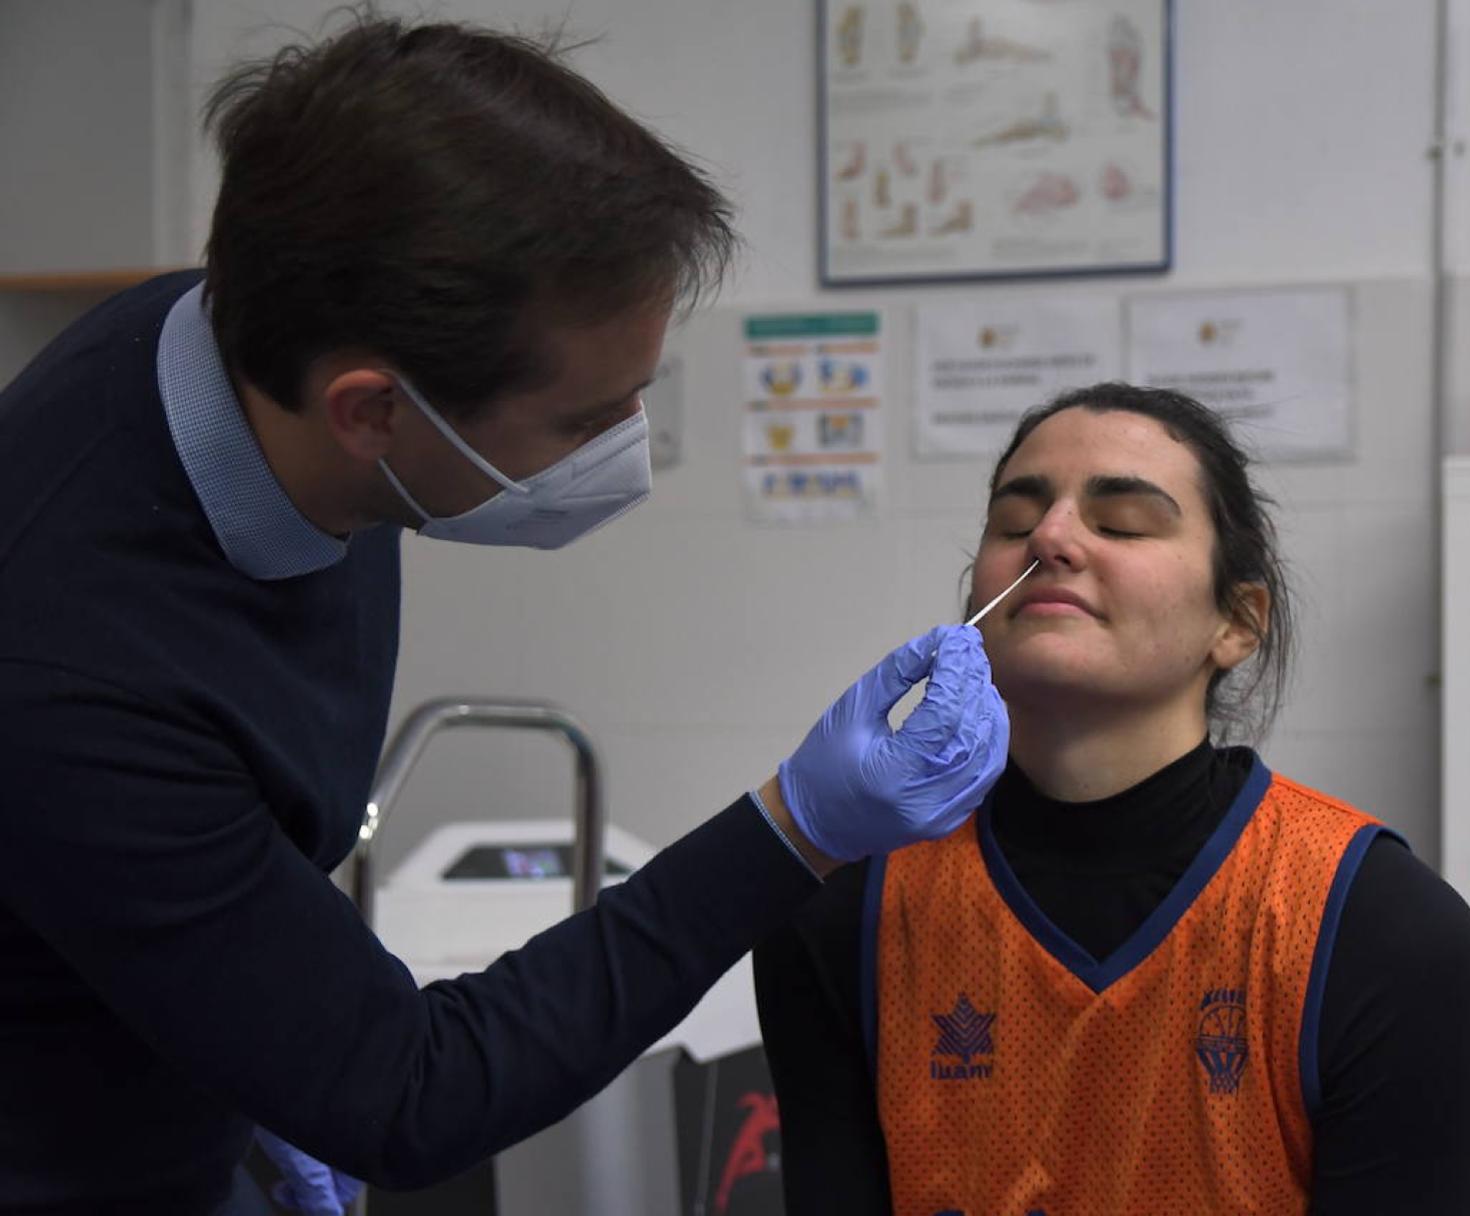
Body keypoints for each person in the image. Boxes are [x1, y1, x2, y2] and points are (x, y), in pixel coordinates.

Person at [0, 14, 1007, 1215]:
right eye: (585, 421)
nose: (626, 451)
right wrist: (791, 830)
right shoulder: (66, 666)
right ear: (370, 412)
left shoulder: (263, 345)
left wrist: (257, 1022)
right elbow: (413, 1095)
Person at [755, 384, 1470, 1214]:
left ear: (1238, 622)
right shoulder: (848, 908)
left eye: (1123, 525)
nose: (1050, 537)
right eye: (1013, 523)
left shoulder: (1377, 927)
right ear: (977, 604)